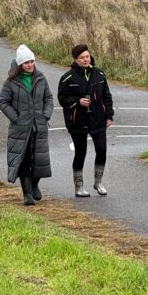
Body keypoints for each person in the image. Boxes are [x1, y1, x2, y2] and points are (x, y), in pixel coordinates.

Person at [0, 44, 53, 206]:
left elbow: (48, 98)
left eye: (32, 61)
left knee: (40, 159)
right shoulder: (11, 82)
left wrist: (45, 115)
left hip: (39, 127)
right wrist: (16, 118)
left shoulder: (41, 78)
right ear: (20, 64)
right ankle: (27, 194)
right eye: (26, 62)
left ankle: (34, 184)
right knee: (25, 160)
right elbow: (3, 102)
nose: (30, 65)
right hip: (21, 129)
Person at [57, 43, 114, 197]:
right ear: (75, 59)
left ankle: (98, 182)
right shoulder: (67, 77)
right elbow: (62, 99)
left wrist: (109, 115)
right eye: (82, 57)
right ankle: (79, 187)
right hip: (77, 121)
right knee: (80, 152)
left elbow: (106, 96)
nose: (85, 59)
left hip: (98, 119)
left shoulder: (99, 74)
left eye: (87, 56)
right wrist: (77, 101)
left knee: (102, 150)